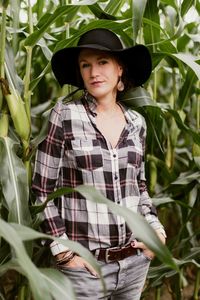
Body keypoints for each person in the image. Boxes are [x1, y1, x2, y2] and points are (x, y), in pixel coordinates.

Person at [32, 28, 166, 300]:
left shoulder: (136, 124)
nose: (93, 71)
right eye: (85, 65)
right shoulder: (65, 114)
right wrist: (64, 253)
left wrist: (156, 231)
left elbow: (139, 188)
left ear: (120, 69)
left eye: (102, 62)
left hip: (135, 263)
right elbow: (41, 190)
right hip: (85, 270)